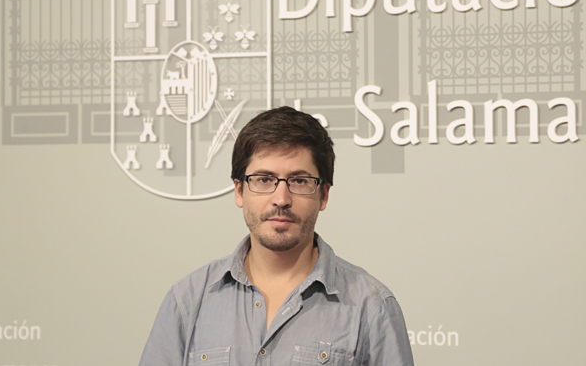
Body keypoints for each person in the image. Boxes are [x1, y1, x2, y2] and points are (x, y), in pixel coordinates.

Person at [139, 106, 414, 366]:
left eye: (299, 181)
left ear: (324, 195)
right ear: (239, 191)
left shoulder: (373, 307)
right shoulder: (187, 301)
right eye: (264, 179)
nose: (281, 199)